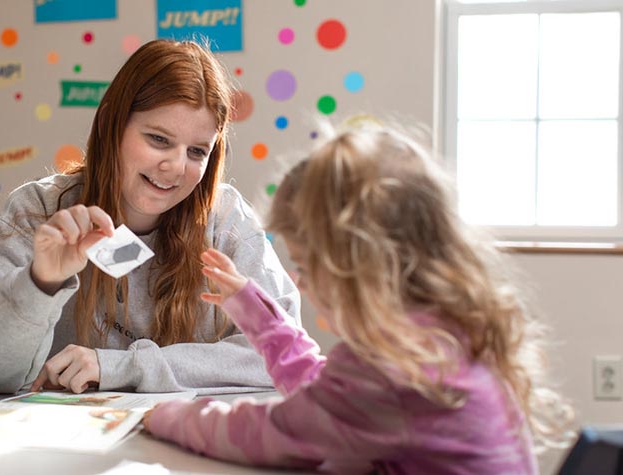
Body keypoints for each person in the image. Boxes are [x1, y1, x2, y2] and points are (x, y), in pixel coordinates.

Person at [143, 122, 574, 473]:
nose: (301, 283)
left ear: (358, 267)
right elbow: (323, 399)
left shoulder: (394, 371)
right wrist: (255, 312)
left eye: (310, 269)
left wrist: (165, 415)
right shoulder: (443, 337)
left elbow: (272, 432)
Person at [0, 39, 300, 395]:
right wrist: (40, 282)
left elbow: (284, 352)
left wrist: (127, 366)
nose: (176, 166)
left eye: (197, 151)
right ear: (110, 125)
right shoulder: (35, 213)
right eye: (158, 139)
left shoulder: (227, 223)